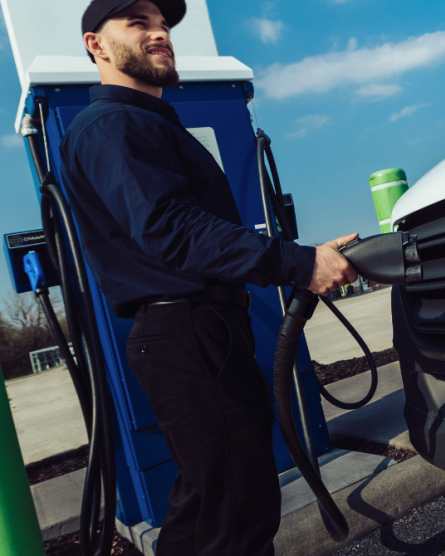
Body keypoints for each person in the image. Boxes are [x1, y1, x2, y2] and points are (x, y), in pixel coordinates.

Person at [59, 1, 358, 554]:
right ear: (95, 45)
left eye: (163, 25)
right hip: (188, 334)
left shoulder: (143, 122)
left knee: (206, 507)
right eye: (138, 23)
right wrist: (300, 262)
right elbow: (172, 230)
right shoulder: (111, 124)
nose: (159, 34)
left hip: (198, 333)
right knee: (236, 515)